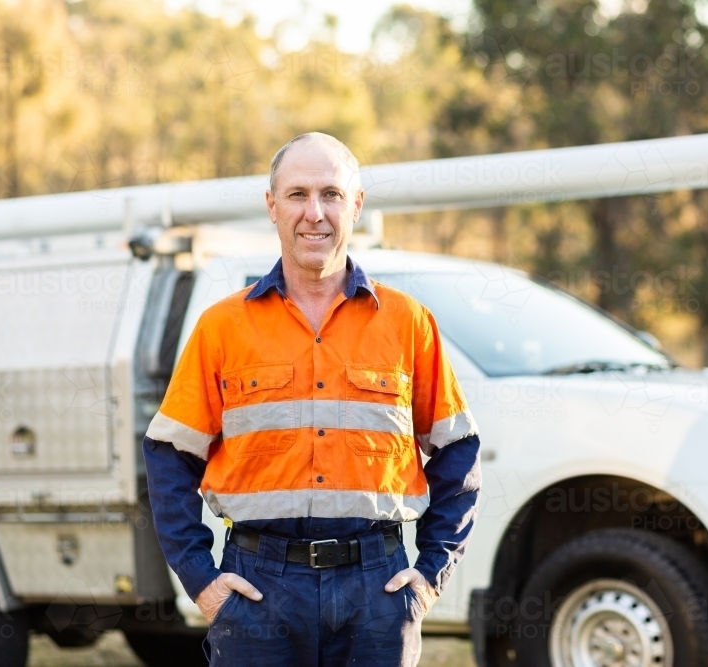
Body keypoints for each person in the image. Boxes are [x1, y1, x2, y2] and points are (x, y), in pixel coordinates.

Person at [142, 132, 482, 666]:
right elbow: (168, 454)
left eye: (331, 194)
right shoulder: (221, 328)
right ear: (272, 206)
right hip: (257, 592)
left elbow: (457, 451)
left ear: (357, 205)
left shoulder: (408, 324)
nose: (315, 213)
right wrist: (202, 581)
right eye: (298, 194)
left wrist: (429, 577)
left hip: (380, 593)